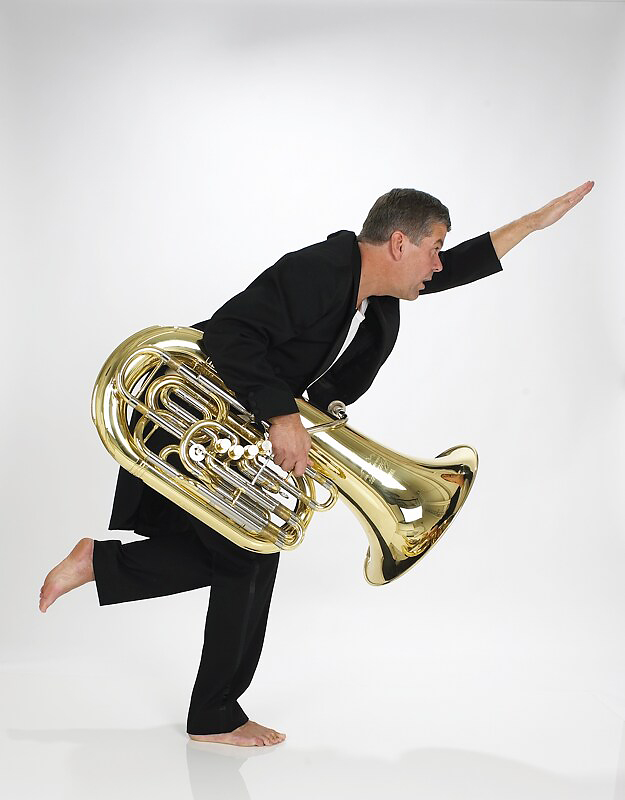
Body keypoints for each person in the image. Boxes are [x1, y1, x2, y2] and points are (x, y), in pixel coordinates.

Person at [39, 180, 594, 747]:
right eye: (433, 249)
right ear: (398, 244)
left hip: (240, 423)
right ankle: (210, 711)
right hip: (187, 419)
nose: (437, 264)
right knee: (245, 556)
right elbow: (231, 334)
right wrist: (282, 415)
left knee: (254, 551)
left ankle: (111, 580)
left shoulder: (378, 294)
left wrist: (530, 224)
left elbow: (455, 269)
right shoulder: (320, 270)